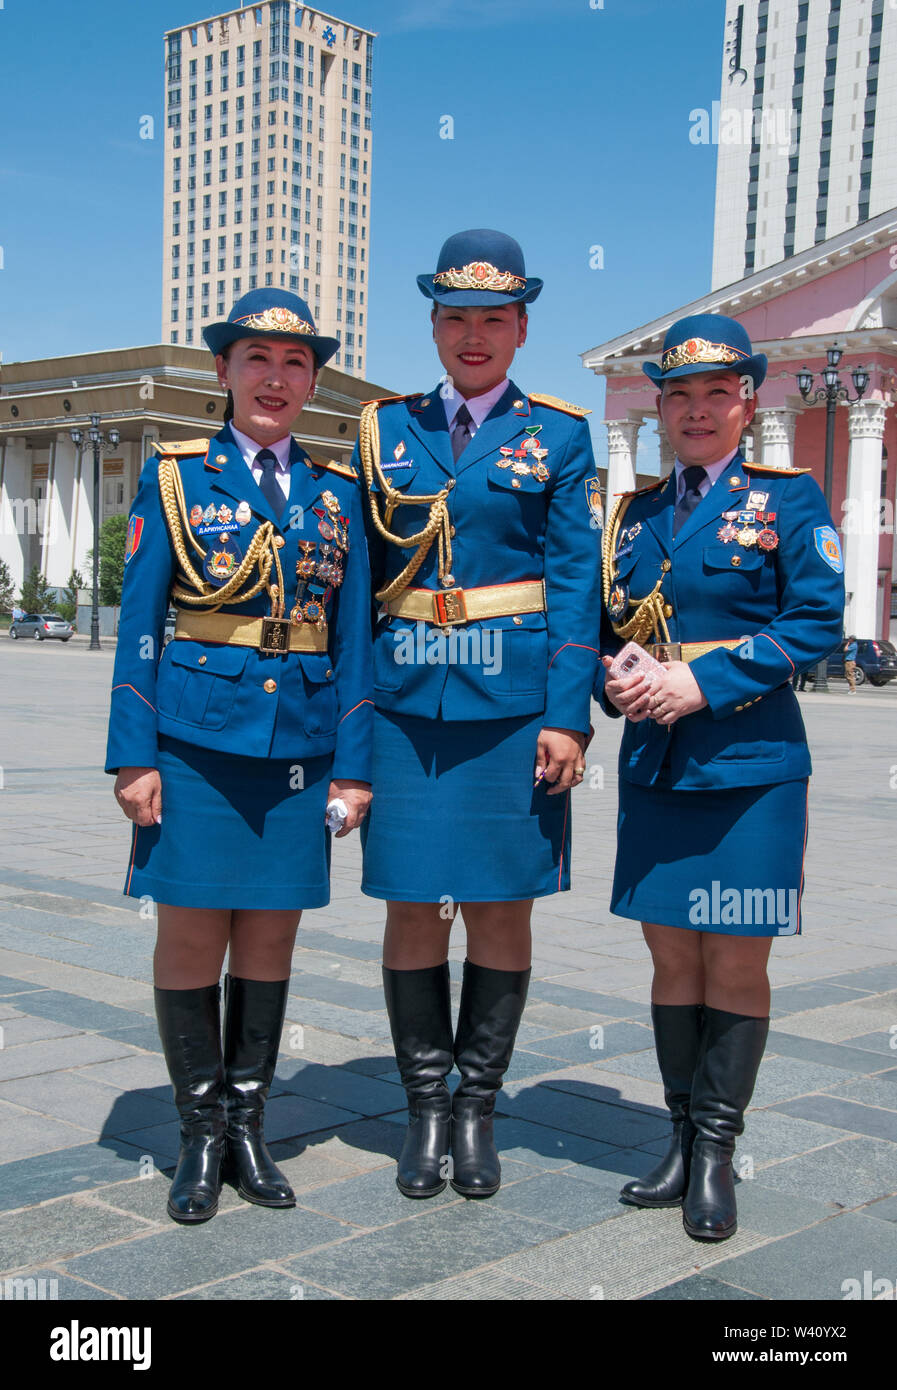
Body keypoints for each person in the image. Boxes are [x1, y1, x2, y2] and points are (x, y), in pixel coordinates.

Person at [105, 289, 373, 1223]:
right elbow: (138, 628)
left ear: (312, 382)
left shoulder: (340, 494)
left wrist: (353, 766)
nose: (275, 378)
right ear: (223, 371)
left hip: (297, 748)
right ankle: (197, 1134)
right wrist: (132, 757)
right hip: (192, 744)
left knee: (269, 937)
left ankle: (249, 1129)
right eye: (256, 359)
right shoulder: (175, 477)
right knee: (189, 936)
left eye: (295, 364)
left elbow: (354, 650)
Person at [354, 229, 602, 1201]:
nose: (473, 336)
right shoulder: (386, 429)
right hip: (409, 703)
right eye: (456, 318)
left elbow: (578, 583)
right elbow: (364, 589)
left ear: (521, 327)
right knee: (413, 903)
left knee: (502, 906)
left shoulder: (563, 435)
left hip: (511, 707)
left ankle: (477, 1110)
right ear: (434, 323)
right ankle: (424, 1109)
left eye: (492, 319)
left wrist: (568, 718)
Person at [596, 313, 844, 1241]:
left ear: (747, 403)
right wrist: (614, 680)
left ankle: (715, 1153)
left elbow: (816, 621)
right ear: (658, 407)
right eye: (678, 395)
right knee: (670, 954)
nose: (695, 411)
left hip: (748, 765)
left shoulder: (790, 501)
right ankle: (674, 1137)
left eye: (715, 393)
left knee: (735, 955)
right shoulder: (636, 514)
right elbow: (604, 628)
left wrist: (699, 679)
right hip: (658, 762)